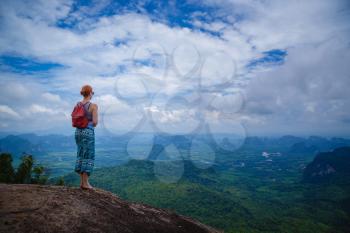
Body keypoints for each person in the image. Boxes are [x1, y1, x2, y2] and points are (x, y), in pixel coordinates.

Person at [74, 85, 98, 190]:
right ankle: (85, 183)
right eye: (93, 92)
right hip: (87, 132)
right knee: (88, 155)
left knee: (81, 154)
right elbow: (95, 122)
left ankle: (82, 182)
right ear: (90, 93)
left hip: (78, 132)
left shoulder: (78, 104)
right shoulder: (93, 106)